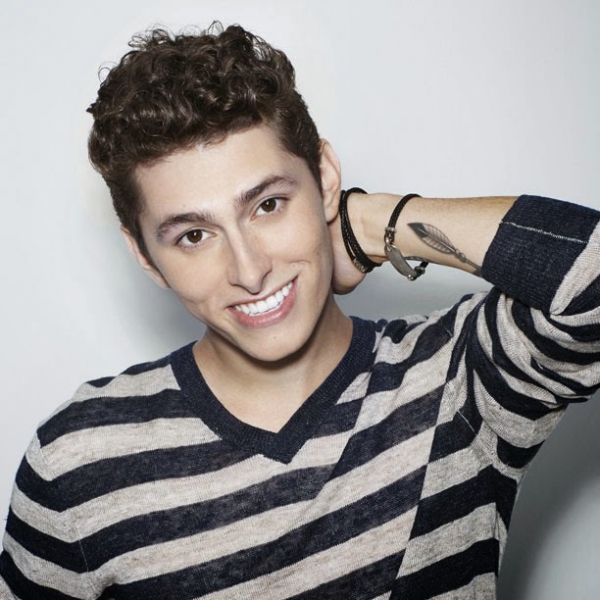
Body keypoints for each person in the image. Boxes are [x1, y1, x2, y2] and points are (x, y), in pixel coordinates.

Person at [0, 22, 598, 600]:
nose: (249, 269)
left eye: (268, 204)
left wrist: (371, 222)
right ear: (145, 256)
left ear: (325, 178)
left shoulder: (455, 378)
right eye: (193, 236)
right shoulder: (77, 462)